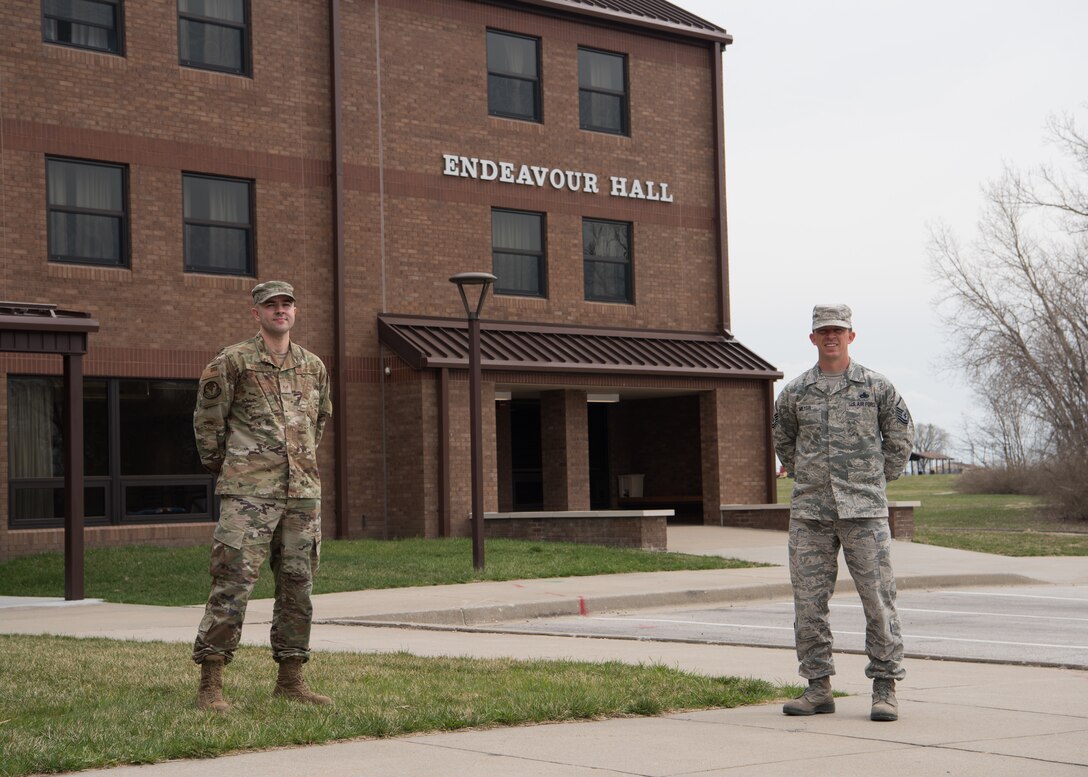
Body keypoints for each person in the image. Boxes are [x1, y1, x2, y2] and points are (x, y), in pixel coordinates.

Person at [191, 280, 333, 712]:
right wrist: (236, 469)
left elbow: (318, 423)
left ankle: (291, 681)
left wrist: (297, 467)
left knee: (298, 586)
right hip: (249, 494)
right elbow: (207, 425)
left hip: (301, 495)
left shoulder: (313, 366)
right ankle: (210, 685)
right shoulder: (232, 361)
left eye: (287, 304)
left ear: (295, 311)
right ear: (256, 313)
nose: (280, 310)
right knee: (232, 584)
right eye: (271, 305)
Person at [772, 304, 914, 722]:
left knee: (878, 600)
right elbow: (784, 439)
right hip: (811, 515)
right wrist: (809, 478)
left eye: (838, 330)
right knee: (809, 603)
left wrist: (874, 480)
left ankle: (884, 688)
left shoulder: (876, 387)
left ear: (852, 336)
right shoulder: (796, 392)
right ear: (812, 338)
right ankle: (818, 687)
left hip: (865, 514)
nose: (830, 337)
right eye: (823, 331)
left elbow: (901, 435)